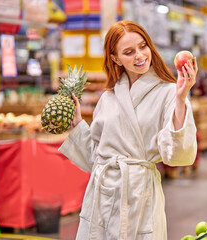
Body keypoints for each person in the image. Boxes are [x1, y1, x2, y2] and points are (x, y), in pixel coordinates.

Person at [58, 20, 198, 239]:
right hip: (101, 196)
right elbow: (95, 158)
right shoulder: (108, 98)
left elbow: (178, 155)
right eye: (129, 52)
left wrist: (181, 99)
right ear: (115, 58)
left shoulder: (169, 91)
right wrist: (77, 124)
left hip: (139, 194)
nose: (140, 56)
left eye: (143, 46)